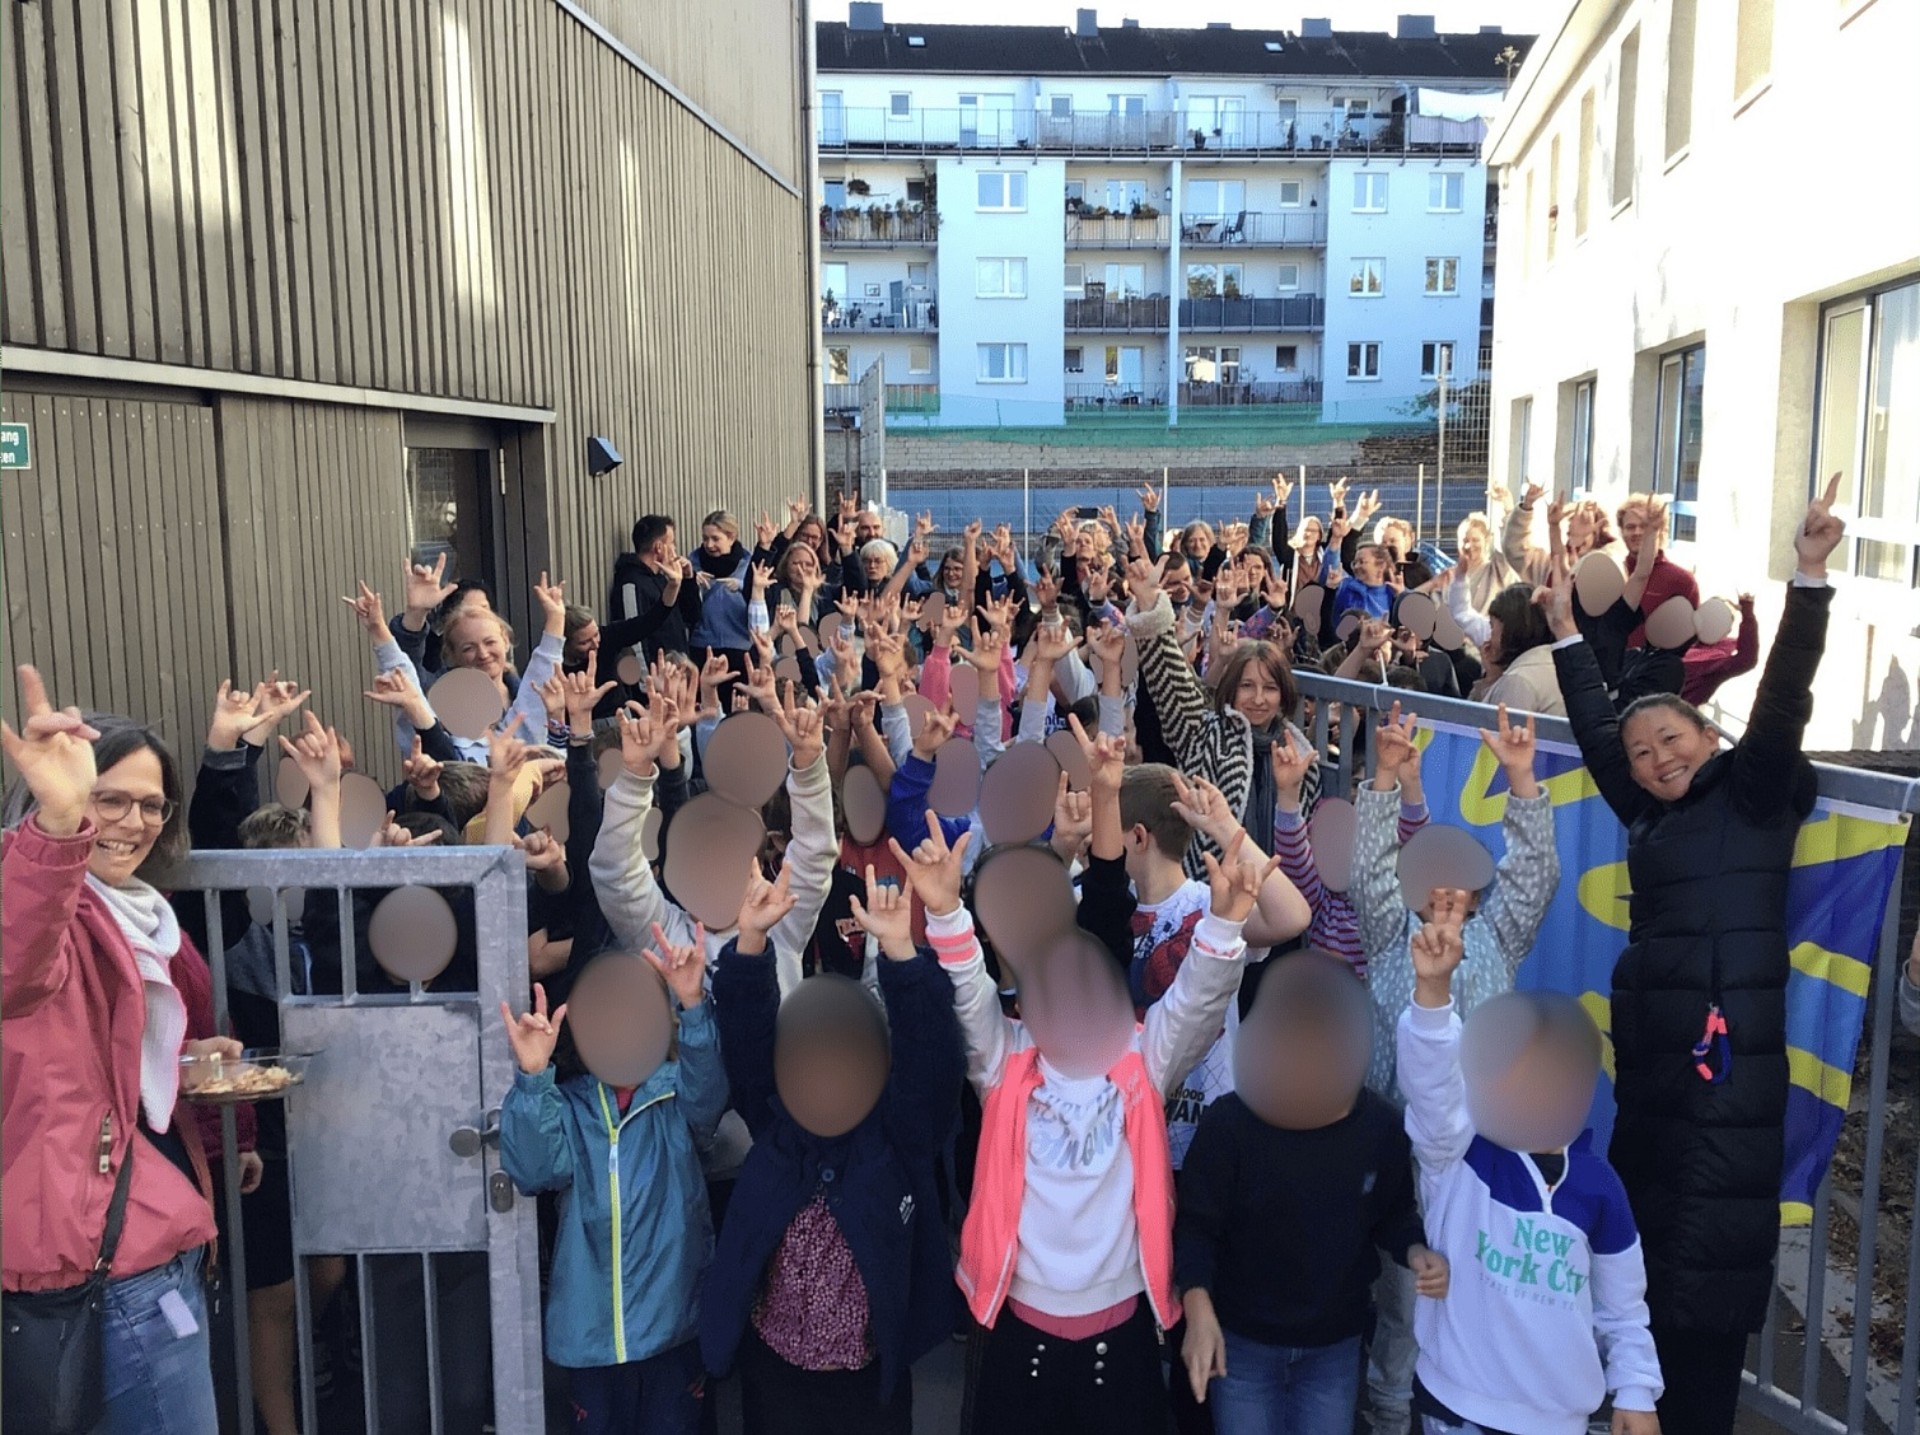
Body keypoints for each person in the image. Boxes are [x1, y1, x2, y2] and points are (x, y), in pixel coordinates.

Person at [1546, 478, 1846, 1435]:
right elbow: (1598, 732)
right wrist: (1565, 632)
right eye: (1641, 752)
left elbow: (1785, 693)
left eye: (1669, 739)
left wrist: (1809, 577)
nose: (1654, 759)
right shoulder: (1647, 812)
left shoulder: (1752, 796)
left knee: (1706, 1292)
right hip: (1655, 1078)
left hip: (1728, 1085)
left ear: (1706, 735)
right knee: (1641, 1274)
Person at [929, 788, 1273, 1435]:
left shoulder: (1141, 1062)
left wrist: (1224, 924)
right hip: (1017, 1331)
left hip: (1120, 1336)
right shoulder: (1006, 1064)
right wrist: (947, 913)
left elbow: (1196, 1003)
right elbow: (970, 997)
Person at [1, 667, 255, 1435]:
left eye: (151, 804)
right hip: (105, 1264)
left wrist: (183, 1061)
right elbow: (14, 967)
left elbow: (83, 1067)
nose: (133, 821)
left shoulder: (138, 912)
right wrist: (57, 825)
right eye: (108, 797)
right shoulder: (45, 904)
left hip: (141, 1244)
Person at [1351, 702, 1560, 1435]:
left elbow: (1535, 877)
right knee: (1403, 1300)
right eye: (1431, 882)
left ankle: (1465, 1410)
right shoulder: (1389, 934)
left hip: (1483, 1154)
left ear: (1476, 892)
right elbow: (1368, 870)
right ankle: (1386, 1415)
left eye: (1458, 882)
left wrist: (1522, 779)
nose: (1444, 892)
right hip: (1399, 1148)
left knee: (1474, 1291)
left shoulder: (1499, 937)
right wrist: (1384, 775)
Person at [704, 861, 965, 1435]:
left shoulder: (894, 1136)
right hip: (775, 1375)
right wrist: (750, 941)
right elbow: (747, 1043)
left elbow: (932, 1067)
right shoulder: (777, 1125)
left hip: (865, 1386)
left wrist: (901, 954)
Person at [1398, 897, 1663, 1434]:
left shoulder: (1600, 1186)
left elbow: (1623, 1304)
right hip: (1455, 1409)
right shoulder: (1459, 1153)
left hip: (1558, 1421)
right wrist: (1432, 991)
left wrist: (1636, 1390)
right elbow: (1431, 1087)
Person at [1176, 953, 1446, 1435]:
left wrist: (1415, 1248)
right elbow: (1196, 1228)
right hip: (1242, 1344)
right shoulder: (1229, 1125)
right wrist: (1197, 1313)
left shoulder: (1380, 1127)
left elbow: (1393, 1211)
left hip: (1333, 1348)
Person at [498, 937, 727, 1435]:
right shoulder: (570, 1106)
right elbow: (533, 1170)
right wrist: (533, 1078)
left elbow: (709, 1090)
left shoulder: (676, 1095)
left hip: (673, 1329)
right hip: (591, 1339)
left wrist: (692, 1005)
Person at [1125, 554, 1320, 868]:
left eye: (1270, 688)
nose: (1259, 699)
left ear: (1283, 693)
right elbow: (1172, 681)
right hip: (1211, 884)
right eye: (1247, 686)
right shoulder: (1202, 731)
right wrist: (1150, 606)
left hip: (1277, 886)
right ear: (1231, 688)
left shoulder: (1300, 754)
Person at [610, 515, 703, 662]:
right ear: (659, 547)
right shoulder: (631, 582)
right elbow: (633, 640)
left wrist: (688, 580)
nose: (675, 549)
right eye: (672, 543)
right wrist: (643, 675)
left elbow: (692, 616)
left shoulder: (662, 579)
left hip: (675, 668)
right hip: (653, 671)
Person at [1474, 583, 1567, 717]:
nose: (1490, 636)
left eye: (1492, 626)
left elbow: (1482, 723)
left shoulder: (1517, 680)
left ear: (1509, 629)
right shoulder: (1560, 661)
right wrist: (1492, 676)